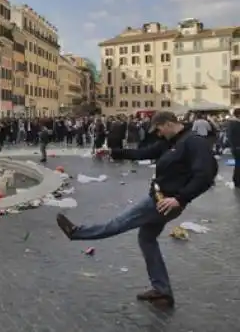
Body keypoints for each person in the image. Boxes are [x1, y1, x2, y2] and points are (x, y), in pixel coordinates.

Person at [55, 111, 217, 309]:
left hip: (164, 202)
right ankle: (162, 291)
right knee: (146, 239)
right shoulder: (171, 142)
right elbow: (143, 153)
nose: (157, 134)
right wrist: (113, 152)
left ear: (167, 124)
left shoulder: (193, 142)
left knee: (119, 223)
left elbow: (206, 175)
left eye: (158, 129)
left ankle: (77, 233)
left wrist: (180, 198)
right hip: (162, 199)